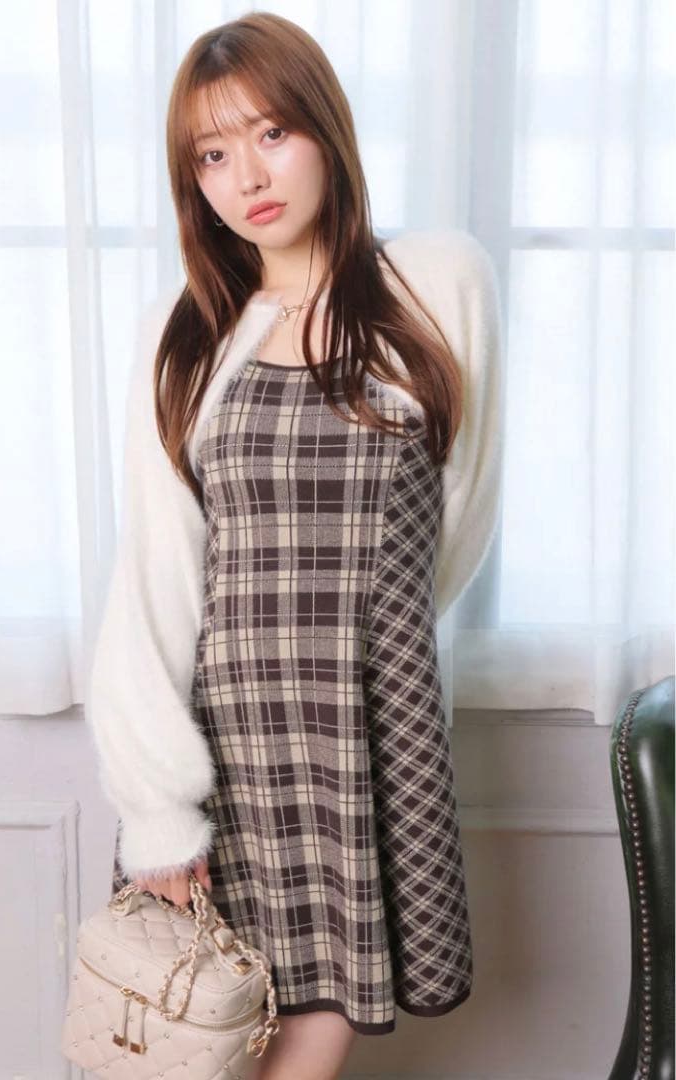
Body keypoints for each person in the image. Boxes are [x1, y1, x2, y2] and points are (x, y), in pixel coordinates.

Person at [87, 12, 503, 1080]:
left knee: (324, 1015)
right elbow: (156, 576)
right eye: (212, 155)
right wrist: (157, 805)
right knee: (199, 1033)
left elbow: (458, 516)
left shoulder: (435, 284)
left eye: (271, 133)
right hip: (221, 742)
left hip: (368, 723)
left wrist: (376, 647)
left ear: (325, 128)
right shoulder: (183, 335)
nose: (248, 177)